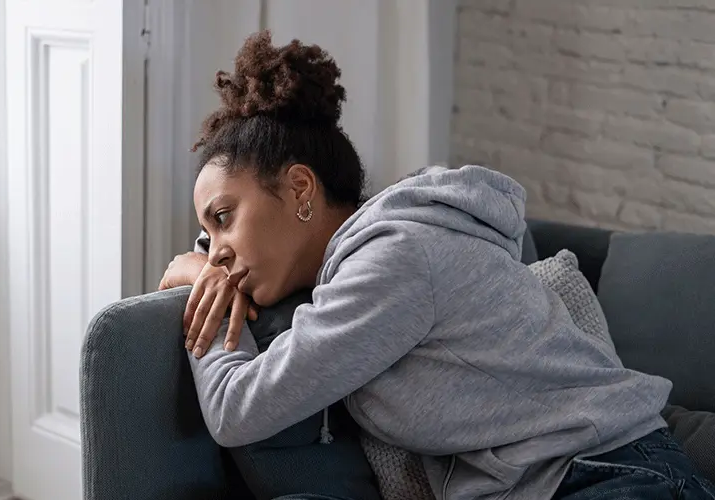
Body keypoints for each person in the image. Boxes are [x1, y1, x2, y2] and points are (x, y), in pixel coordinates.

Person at [159, 31, 715, 500]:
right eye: (206, 237)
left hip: (616, 477)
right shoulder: (376, 259)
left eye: (223, 218)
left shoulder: (394, 261)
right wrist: (203, 264)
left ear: (300, 188)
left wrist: (204, 292)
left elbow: (237, 409)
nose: (216, 250)